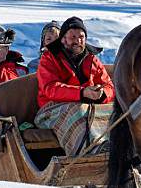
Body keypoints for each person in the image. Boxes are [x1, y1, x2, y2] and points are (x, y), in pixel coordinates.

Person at [35, 17, 115, 155]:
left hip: (88, 106)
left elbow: (108, 85)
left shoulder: (91, 59)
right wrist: (82, 93)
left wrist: (102, 94)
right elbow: (50, 88)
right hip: (51, 109)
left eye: (81, 37)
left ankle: (118, 150)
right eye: (73, 37)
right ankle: (88, 154)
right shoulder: (49, 57)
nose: (77, 41)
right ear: (63, 39)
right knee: (78, 111)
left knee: (117, 110)